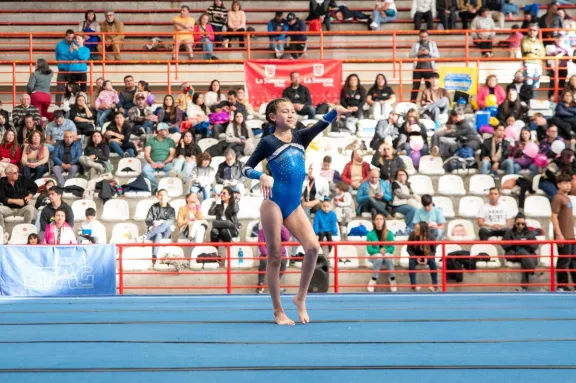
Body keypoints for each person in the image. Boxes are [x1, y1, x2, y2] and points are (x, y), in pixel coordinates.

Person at [241, 98, 349, 325]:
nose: (291, 114)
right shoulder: (269, 142)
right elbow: (246, 167)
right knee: (275, 257)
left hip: (293, 205)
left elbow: (320, 125)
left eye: (292, 111)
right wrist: (261, 175)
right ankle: (278, 310)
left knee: (312, 248)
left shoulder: (300, 137)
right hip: (273, 203)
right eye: (284, 111)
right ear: (273, 117)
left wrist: (333, 112)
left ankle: (300, 297)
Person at [502, 213, 540, 291]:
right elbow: (504, 244)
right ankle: (534, 271)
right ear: (515, 223)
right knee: (523, 253)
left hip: (527, 254)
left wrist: (524, 243)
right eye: (518, 224)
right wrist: (515, 242)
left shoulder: (529, 232)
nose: (520, 226)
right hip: (513, 254)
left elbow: (535, 245)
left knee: (524, 259)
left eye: (522, 224)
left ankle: (523, 288)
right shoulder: (509, 232)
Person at [551, 173, 576, 291]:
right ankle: (561, 285)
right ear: (558, 185)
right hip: (563, 234)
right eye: (565, 183)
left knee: (573, 260)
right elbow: (554, 216)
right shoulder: (557, 198)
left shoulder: (567, 198)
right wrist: (559, 234)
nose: (568, 185)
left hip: (571, 235)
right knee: (564, 259)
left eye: (569, 183)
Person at [141, 189, 176, 261]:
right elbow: (147, 220)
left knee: (167, 223)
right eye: (161, 195)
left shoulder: (171, 209)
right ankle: (154, 256)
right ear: (157, 196)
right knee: (158, 234)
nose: (163, 197)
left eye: (164, 195)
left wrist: (161, 222)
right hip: (155, 231)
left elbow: (171, 221)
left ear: (167, 197)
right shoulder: (153, 207)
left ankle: (145, 236)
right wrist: (154, 222)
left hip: (166, 232)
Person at [0, 164, 38, 229]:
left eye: (17, 172)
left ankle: (26, 229)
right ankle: (2, 231)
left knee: (30, 208)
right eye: (15, 173)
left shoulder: (22, 179)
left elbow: (34, 187)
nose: (17, 174)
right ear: (7, 174)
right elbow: (1, 197)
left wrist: (29, 197)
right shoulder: (2, 181)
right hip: (8, 208)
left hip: (22, 208)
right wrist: (16, 201)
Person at [366, 213, 397, 292]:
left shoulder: (389, 233)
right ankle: (373, 279)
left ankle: (392, 279)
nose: (379, 221)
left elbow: (392, 248)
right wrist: (378, 251)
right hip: (374, 256)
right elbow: (369, 250)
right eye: (377, 219)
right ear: (374, 222)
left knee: (386, 255)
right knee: (379, 256)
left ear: (384, 221)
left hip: (386, 255)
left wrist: (385, 250)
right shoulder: (370, 234)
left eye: (381, 219)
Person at [256, 224, 290, 294]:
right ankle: (260, 284)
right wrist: (268, 255)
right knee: (263, 261)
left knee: (283, 262)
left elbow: (287, 238)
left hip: (280, 254)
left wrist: (281, 226)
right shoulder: (262, 231)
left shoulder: (280, 230)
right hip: (267, 254)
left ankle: (276, 284)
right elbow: (261, 245)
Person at [142, 124, 176, 191]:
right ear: (159, 131)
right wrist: (152, 163)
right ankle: (156, 187)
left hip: (166, 163)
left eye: (168, 130)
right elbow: (146, 154)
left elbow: (171, 156)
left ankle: (163, 187)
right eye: (165, 130)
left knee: (173, 170)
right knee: (145, 170)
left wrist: (163, 163)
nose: (168, 132)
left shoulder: (170, 141)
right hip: (153, 163)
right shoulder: (151, 140)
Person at [208, 186, 240, 257]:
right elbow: (210, 212)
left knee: (222, 230)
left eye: (224, 193)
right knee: (213, 231)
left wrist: (234, 199)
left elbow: (235, 210)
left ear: (229, 196)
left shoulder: (234, 205)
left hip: (231, 228)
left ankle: (229, 253)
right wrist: (215, 201)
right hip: (220, 227)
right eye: (221, 193)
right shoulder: (219, 206)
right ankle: (214, 254)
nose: (222, 194)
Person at [409, 29, 439, 102]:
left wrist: (428, 53)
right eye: (421, 37)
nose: (423, 38)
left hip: (429, 69)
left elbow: (437, 55)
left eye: (425, 37)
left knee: (429, 87)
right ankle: (412, 104)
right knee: (415, 87)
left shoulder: (432, 44)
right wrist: (418, 53)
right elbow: (410, 55)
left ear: (428, 36)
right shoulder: (415, 44)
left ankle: (430, 103)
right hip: (417, 69)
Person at [407, 221, 438, 292]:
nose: (415, 230)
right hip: (416, 256)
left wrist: (428, 257)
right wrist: (415, 257)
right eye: (415, 228)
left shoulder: (431, 237)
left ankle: (434, 285)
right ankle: (414, 286)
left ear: (423, 230)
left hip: (427, 256)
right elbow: (409, 249)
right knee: (411, 262)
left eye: (417, 229)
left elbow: (433, 251)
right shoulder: (412, 235)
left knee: (433, 262)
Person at [521, 24, 545, 90]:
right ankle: (529, 99)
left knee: (536, 84)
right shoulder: (524, 39)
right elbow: (525, 48)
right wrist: (536, 49)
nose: (532, 32)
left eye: (534, 30)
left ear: (537, 32)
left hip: (538, 63)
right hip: (528, 62)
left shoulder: (539, 41)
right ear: (528, 31)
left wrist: (533, 51)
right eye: (530, 30)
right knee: (529, 82)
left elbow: (542, 53)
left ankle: (533, 99)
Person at [55, 30, 75, 105]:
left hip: (72, 70)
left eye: (72, 38)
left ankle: (68, 105)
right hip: (62, 69)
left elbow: (77, 56)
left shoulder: (75, 44)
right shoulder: (59, 45)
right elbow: (57, 56)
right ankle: (57, 105)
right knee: (59, 88)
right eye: (69, 37)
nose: (70, 39)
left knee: (71, 88)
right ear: (65, 36)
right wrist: (60, 65)